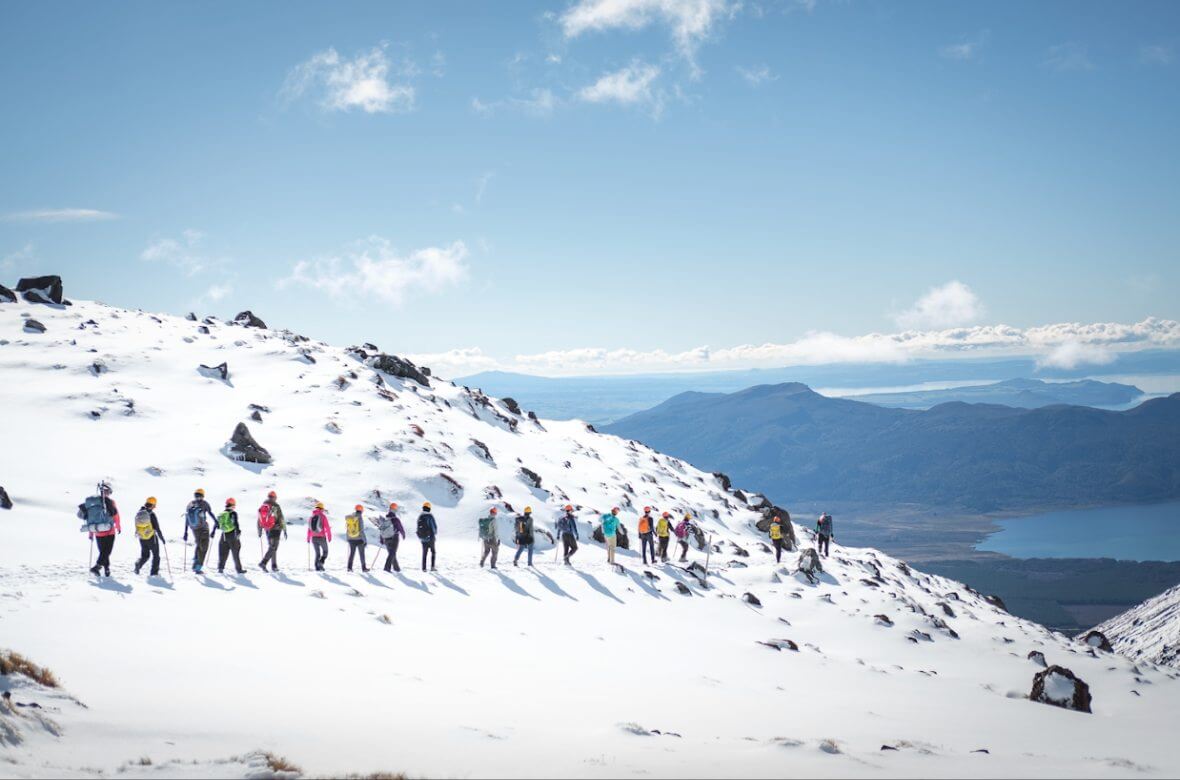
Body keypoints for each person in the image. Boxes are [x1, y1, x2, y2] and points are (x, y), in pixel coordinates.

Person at [78, 481, 120, 577]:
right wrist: (118, 526)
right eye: (109, 492)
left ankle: (106, 569)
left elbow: (90, 518)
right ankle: (97, 567)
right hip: (109, 531)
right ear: (108, 492)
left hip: (97, 531)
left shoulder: (92, 503)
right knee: (107, 552)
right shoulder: (111, 502)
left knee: (103, 552)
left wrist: (91, 532)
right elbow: (116, 515)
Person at [183, 488, 216, 574]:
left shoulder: (190, 504)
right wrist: (216, 522)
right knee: (204, 548)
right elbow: (210, 513)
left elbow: (187, 518)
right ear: (203, 496)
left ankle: (195, 562)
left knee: (199, 545)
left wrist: (185, 532)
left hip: (194, 529)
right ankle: (198, 567)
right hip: (204, 528)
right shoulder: (204, 503)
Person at [133, 496, 165, 576]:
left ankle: (138, 564)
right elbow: (157, 528)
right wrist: (162, 538)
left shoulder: (140, 512)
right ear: (153, 505)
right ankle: (154, 573)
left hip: (142, 537)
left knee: (145, 555)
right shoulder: (151, 514)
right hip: (151, 538)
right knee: (156, 555)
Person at [213, 497, 245, 574]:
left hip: (224, 535)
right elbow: (236, 523)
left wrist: (213, 532)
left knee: (223, 552)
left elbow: (217, 525)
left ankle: (220, 568)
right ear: (233, 505)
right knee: (235, 553)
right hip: (232, 534)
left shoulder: (222, 514)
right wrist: (238, 531)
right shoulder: (233, 513)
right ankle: (239, 569)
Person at [257, 490, 287, 572]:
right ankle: (264, 563)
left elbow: (259, 520)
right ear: (274, 497)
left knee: (272, 547)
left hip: (267, 529)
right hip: (276, 529)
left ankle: (274, 566)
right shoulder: (276, 506)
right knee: (274, 547)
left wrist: (259, 530)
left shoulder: (263, 506)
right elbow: (281, 518)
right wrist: (284, 529)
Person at [373, 502, 405, 573]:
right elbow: (400, 528)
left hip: (386, 539)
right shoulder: (395, 519)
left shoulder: (386, 520)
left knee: (392, 553)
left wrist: (382, 539)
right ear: (395, 510)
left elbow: (382, 529)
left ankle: (397, 569)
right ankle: (387, 568)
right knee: (392, 553)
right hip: (394, 538)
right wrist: (403, 534)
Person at [344, 504, 369, 573]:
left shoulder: (350, 517)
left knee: (352, 554)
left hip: (351, 539)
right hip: (359, 539)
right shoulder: (359, 518)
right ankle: (364, 568)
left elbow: (347, 528)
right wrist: (365, 540)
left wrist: (348, 538)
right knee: (361, 554)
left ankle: (349, 568)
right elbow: (361, 530)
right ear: (361, 510)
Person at [307, 502, 332, 571]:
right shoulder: (323, 516)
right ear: (321, 509)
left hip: (313, 538)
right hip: (321, 537)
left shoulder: (311, 517)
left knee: (317, 553)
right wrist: (329, 536)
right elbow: (327, 527)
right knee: (325, 551)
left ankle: (317, 568)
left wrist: (308, 538)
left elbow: (309, 529)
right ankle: (320, 563)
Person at [417, 501, 438, 572]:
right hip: (430, 538)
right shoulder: (430, 516)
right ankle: (432, 567)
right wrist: (434, 533)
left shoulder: (420, 516)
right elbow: (434, 527)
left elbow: (418, 528)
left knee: (424, 553)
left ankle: (424, 568)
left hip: (423, 538)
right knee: (433, 552)